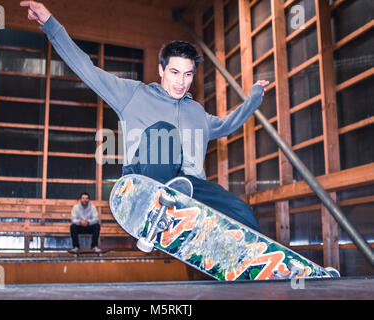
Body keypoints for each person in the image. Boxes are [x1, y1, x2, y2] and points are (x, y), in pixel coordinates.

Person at [20, 1, 270, 233]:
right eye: (174, 72)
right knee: (163, 131)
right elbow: (88, 70)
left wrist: (254, 98)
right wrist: (50, 25)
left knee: (240, 210)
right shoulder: (134, 94)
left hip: (187, 187)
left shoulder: (197, 112)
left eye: (188, 74)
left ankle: (259, 256)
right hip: (143, 180)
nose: (181, 82)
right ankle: (157, 205)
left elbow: (228, 124)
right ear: (161, 70)